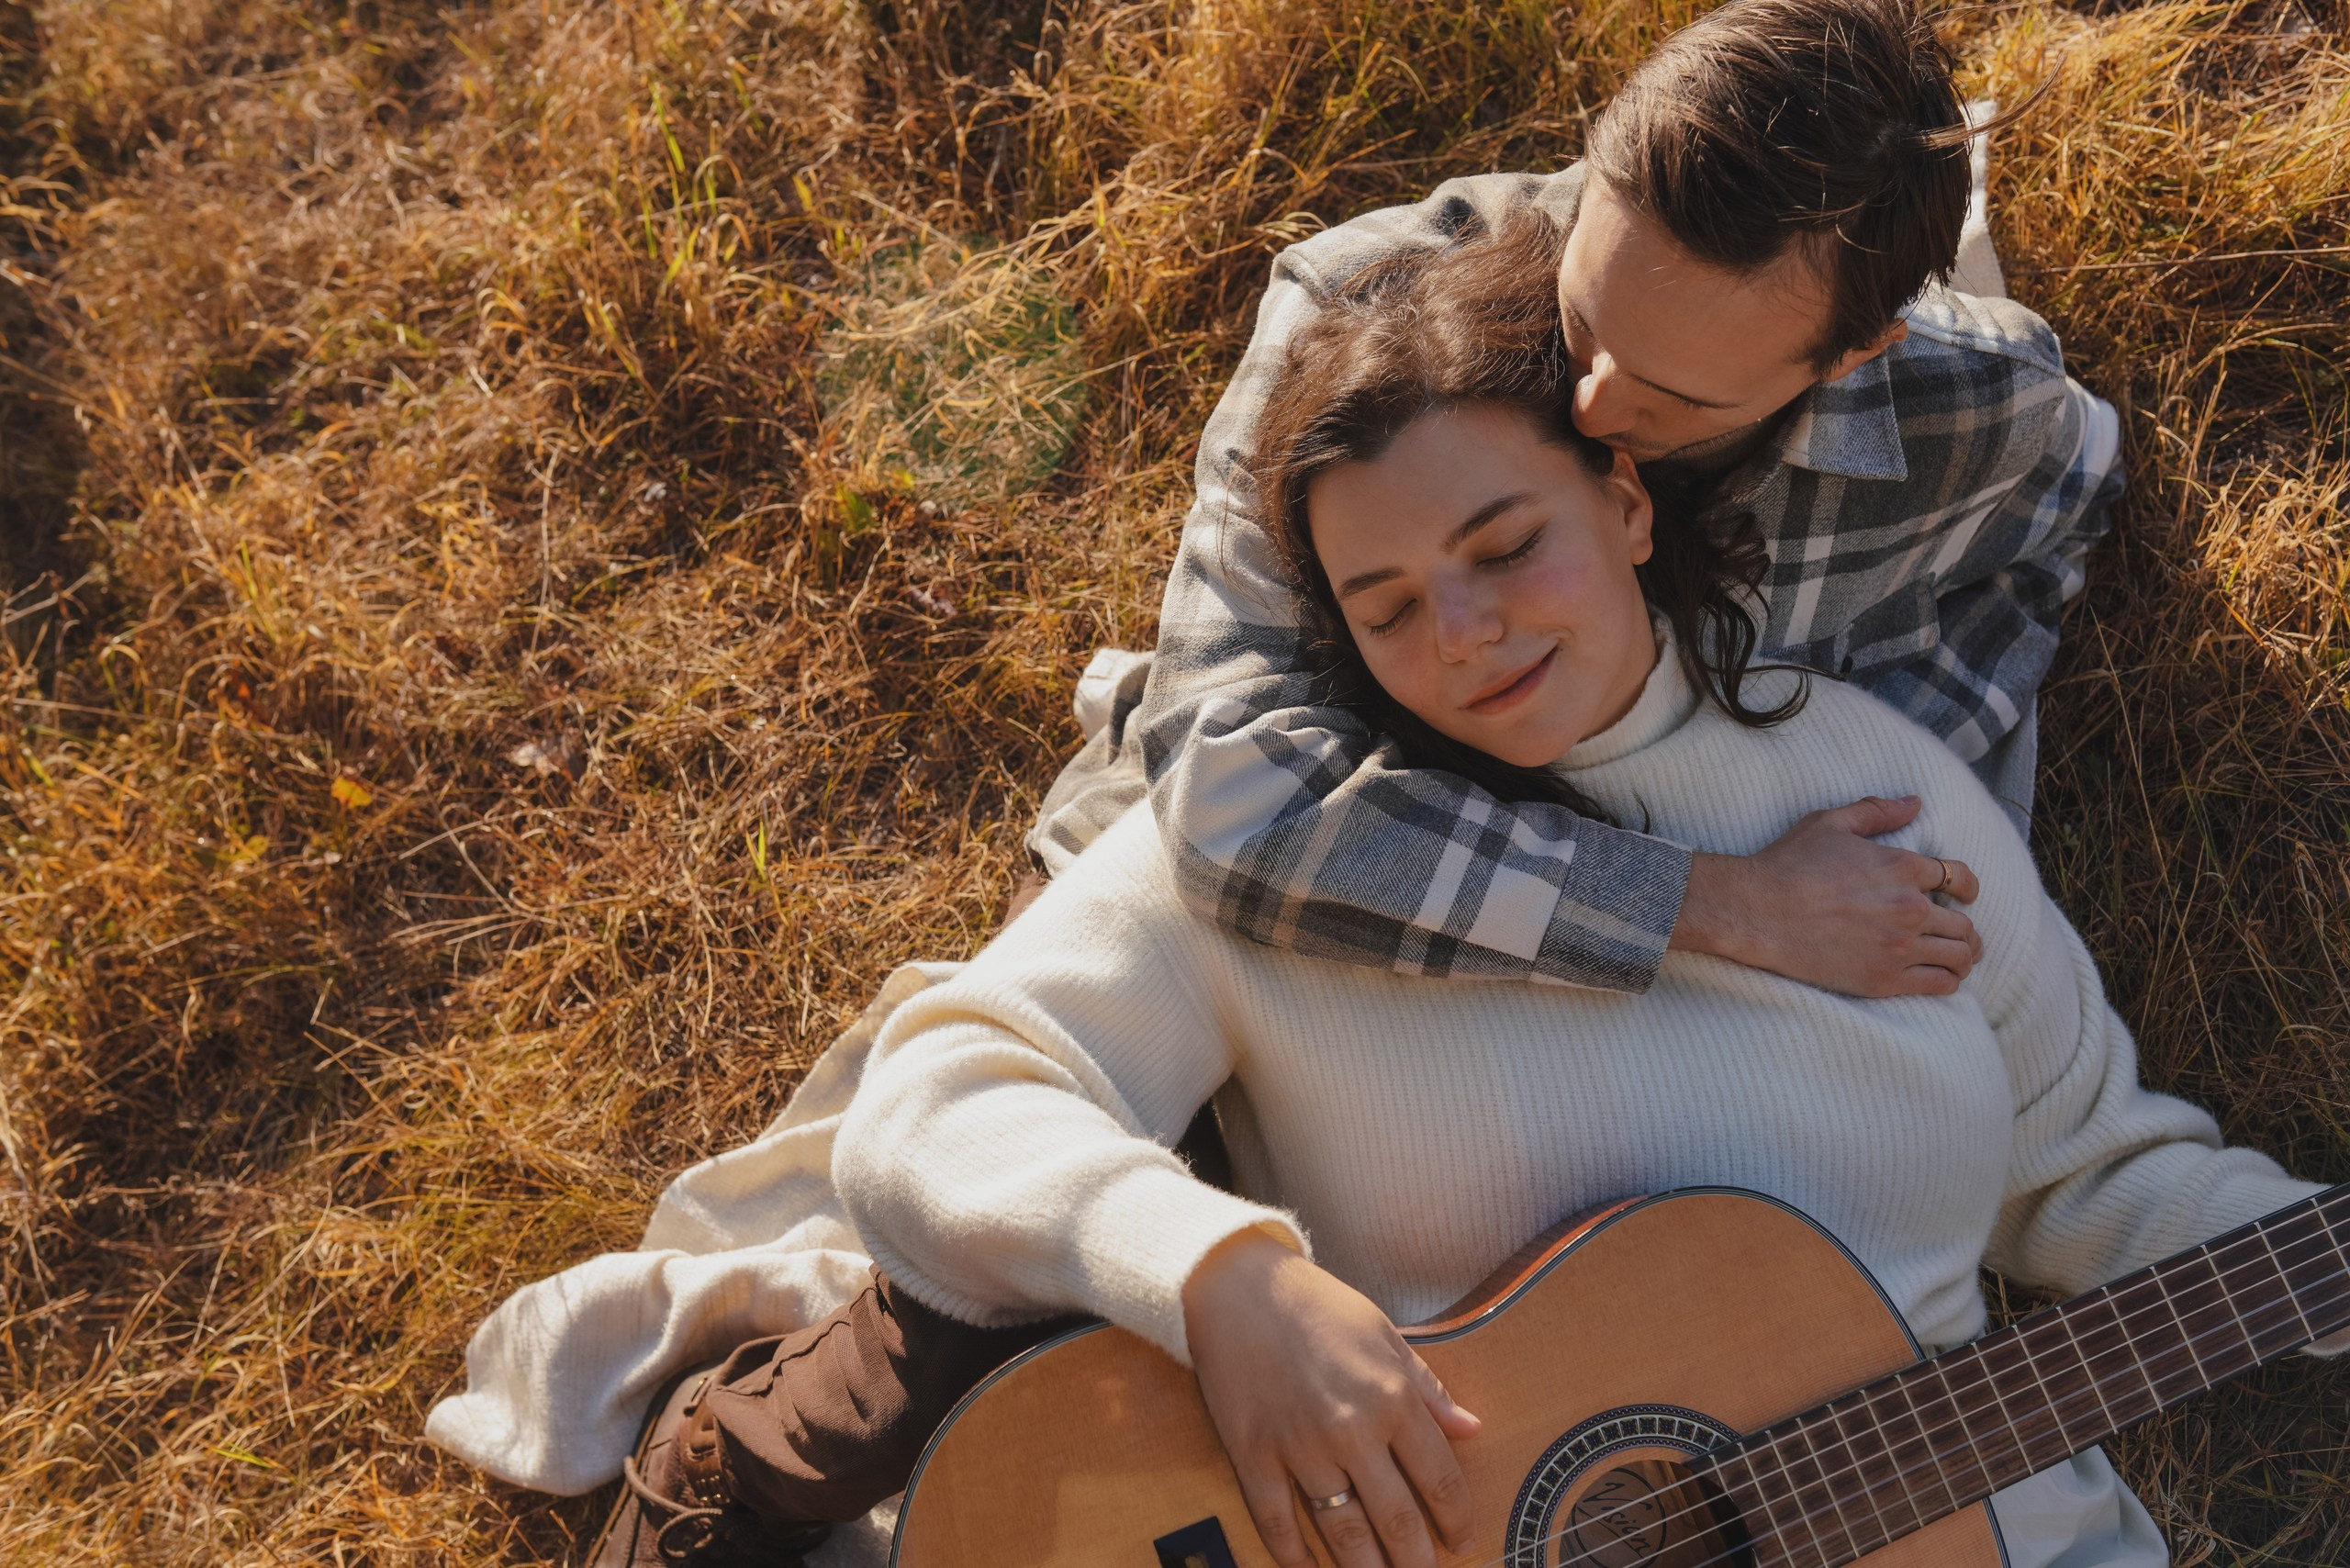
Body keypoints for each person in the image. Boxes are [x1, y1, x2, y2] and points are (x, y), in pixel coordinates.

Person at [828, 211, 2332, 1568]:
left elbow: (2088, 1177)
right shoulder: (1302, 854)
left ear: (1624, 503)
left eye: (1506, 548)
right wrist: (1217, 1275)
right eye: (1389, 607)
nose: (1464, 632)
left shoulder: (1870, 791)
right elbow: (932, 1108)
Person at [1028, 0, 2118, 1003]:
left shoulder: (1965, 407)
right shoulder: (1351, 313)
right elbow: (1229, 799)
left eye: (1679, 395)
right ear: (1597, 168)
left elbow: (2063, 503)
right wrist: (1722, 901)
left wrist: (1875, 754)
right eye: (1584, 324)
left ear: (1852, 355)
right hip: (1351, 862)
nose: (1591, 406)